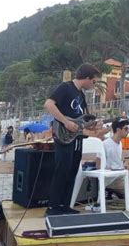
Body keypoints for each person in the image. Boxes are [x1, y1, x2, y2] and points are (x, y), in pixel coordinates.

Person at [43, 63, 109, 216]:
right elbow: (49, 104)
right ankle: (52, 207)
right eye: (93, 81)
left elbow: (82, 120)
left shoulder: (81, 95)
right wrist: (66, 122)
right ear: (86, 78)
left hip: (77, 138)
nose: (94, 85)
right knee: (61, 170)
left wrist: (94, 124)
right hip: (63, 135)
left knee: (72, 171)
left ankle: (64, 204)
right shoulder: (65, 88)